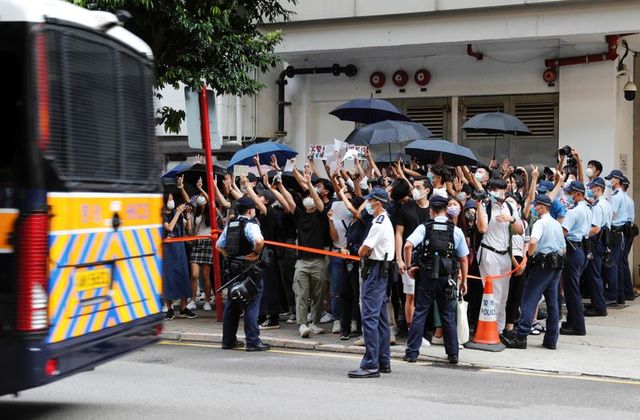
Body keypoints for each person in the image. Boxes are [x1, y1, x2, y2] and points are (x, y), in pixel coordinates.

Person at [401, 195, 469, 364]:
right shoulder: (456, 230)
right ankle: (453, 354)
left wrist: (409, 267)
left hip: (426, 276)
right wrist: (465, 280)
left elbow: (408, 245)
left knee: (420, 313)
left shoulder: (424, 228)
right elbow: (463, 259)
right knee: (447, 314)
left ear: (431, 210)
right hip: (447, 278)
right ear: (446, 211)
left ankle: (411, 353)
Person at [501, 195, 565, 350]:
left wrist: (529, 256)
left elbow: (533, 241)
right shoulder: (557, 224)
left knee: (529, 298)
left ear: (542, 207)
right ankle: (551, 339)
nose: (534, 209)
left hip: (542, 264)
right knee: (553, 303)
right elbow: (563, 248)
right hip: (556, 265)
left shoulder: (540, 223)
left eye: (536, 206)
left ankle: (521, 336)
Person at [348, 187, 395, 379]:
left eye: (370, 201)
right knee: (381, 319)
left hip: (375, 270)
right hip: (381, 270)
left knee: (369, 317)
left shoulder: (379, 223)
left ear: (378, 203)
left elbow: (363, 249)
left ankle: (370, 363)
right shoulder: (384, 220)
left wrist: (359, 250)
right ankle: (383, 360)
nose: (367, 204)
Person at [216, 196, 271, 352]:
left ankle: (228, 340)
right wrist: (254, 253)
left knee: (232, 303)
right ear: (250, 210)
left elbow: (219, 246)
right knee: (252, 304)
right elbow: (259, 242)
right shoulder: (251, 225)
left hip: (233, 269)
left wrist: (230, 257)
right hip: (249, 270)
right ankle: (253, 341)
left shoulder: (230, 225)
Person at [476, 177, 524, 334]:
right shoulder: (485, 205)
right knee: (494, 296)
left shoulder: (509, 206)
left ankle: (500, 331)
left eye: (503, 190)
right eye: (497, 190)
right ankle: (490, 332)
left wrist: (511, 219)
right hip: (489, 253)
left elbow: (520, 230)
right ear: (490, 190)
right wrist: (479, 204)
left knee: (503, 296)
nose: (500, 193)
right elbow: (482, 229)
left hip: (505, 255)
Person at [559, 181, 591, 336]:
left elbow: (563, 232)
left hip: (572, 250)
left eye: (571, 193)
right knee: (573, 288)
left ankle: (578, 326)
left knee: (572, 291)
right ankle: (572, 322)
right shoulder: (587, 208)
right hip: (581, 249)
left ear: (578, 194)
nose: (569, 196)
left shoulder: (573, 212)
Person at [162, 192, 197, 320]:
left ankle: (183, 308)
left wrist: (186, 214)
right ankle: (169, 309)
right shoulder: (162, 215)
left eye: (172, 198)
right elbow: (170, 228)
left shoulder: (175, 213)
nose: (172, 200)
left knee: (183, 276)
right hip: (167, 250)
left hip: (180, 249)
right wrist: (177, 213)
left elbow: (189, 229)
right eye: (169, 198)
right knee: (169, 278)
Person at [582, 177, 611, 317]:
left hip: (596, 241)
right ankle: (597, 303)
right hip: (602, 241)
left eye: (592, 188)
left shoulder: (598, 206)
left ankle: (599, 307)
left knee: (594, 275)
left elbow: (596, 229)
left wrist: (582, 234)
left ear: (598, 189)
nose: (590, 190)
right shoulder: (604, 203)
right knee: (596, 274)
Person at [604, 169, 628, 305]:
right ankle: (620, 295)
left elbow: (611, 215)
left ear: (617, 180)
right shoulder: (622, 195)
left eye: (611, 179)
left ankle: (612, 295)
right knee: (618, 265)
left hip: (614, 232)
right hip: (620, 233)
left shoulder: (617, 196)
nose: (609, 181)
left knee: (612, 265)